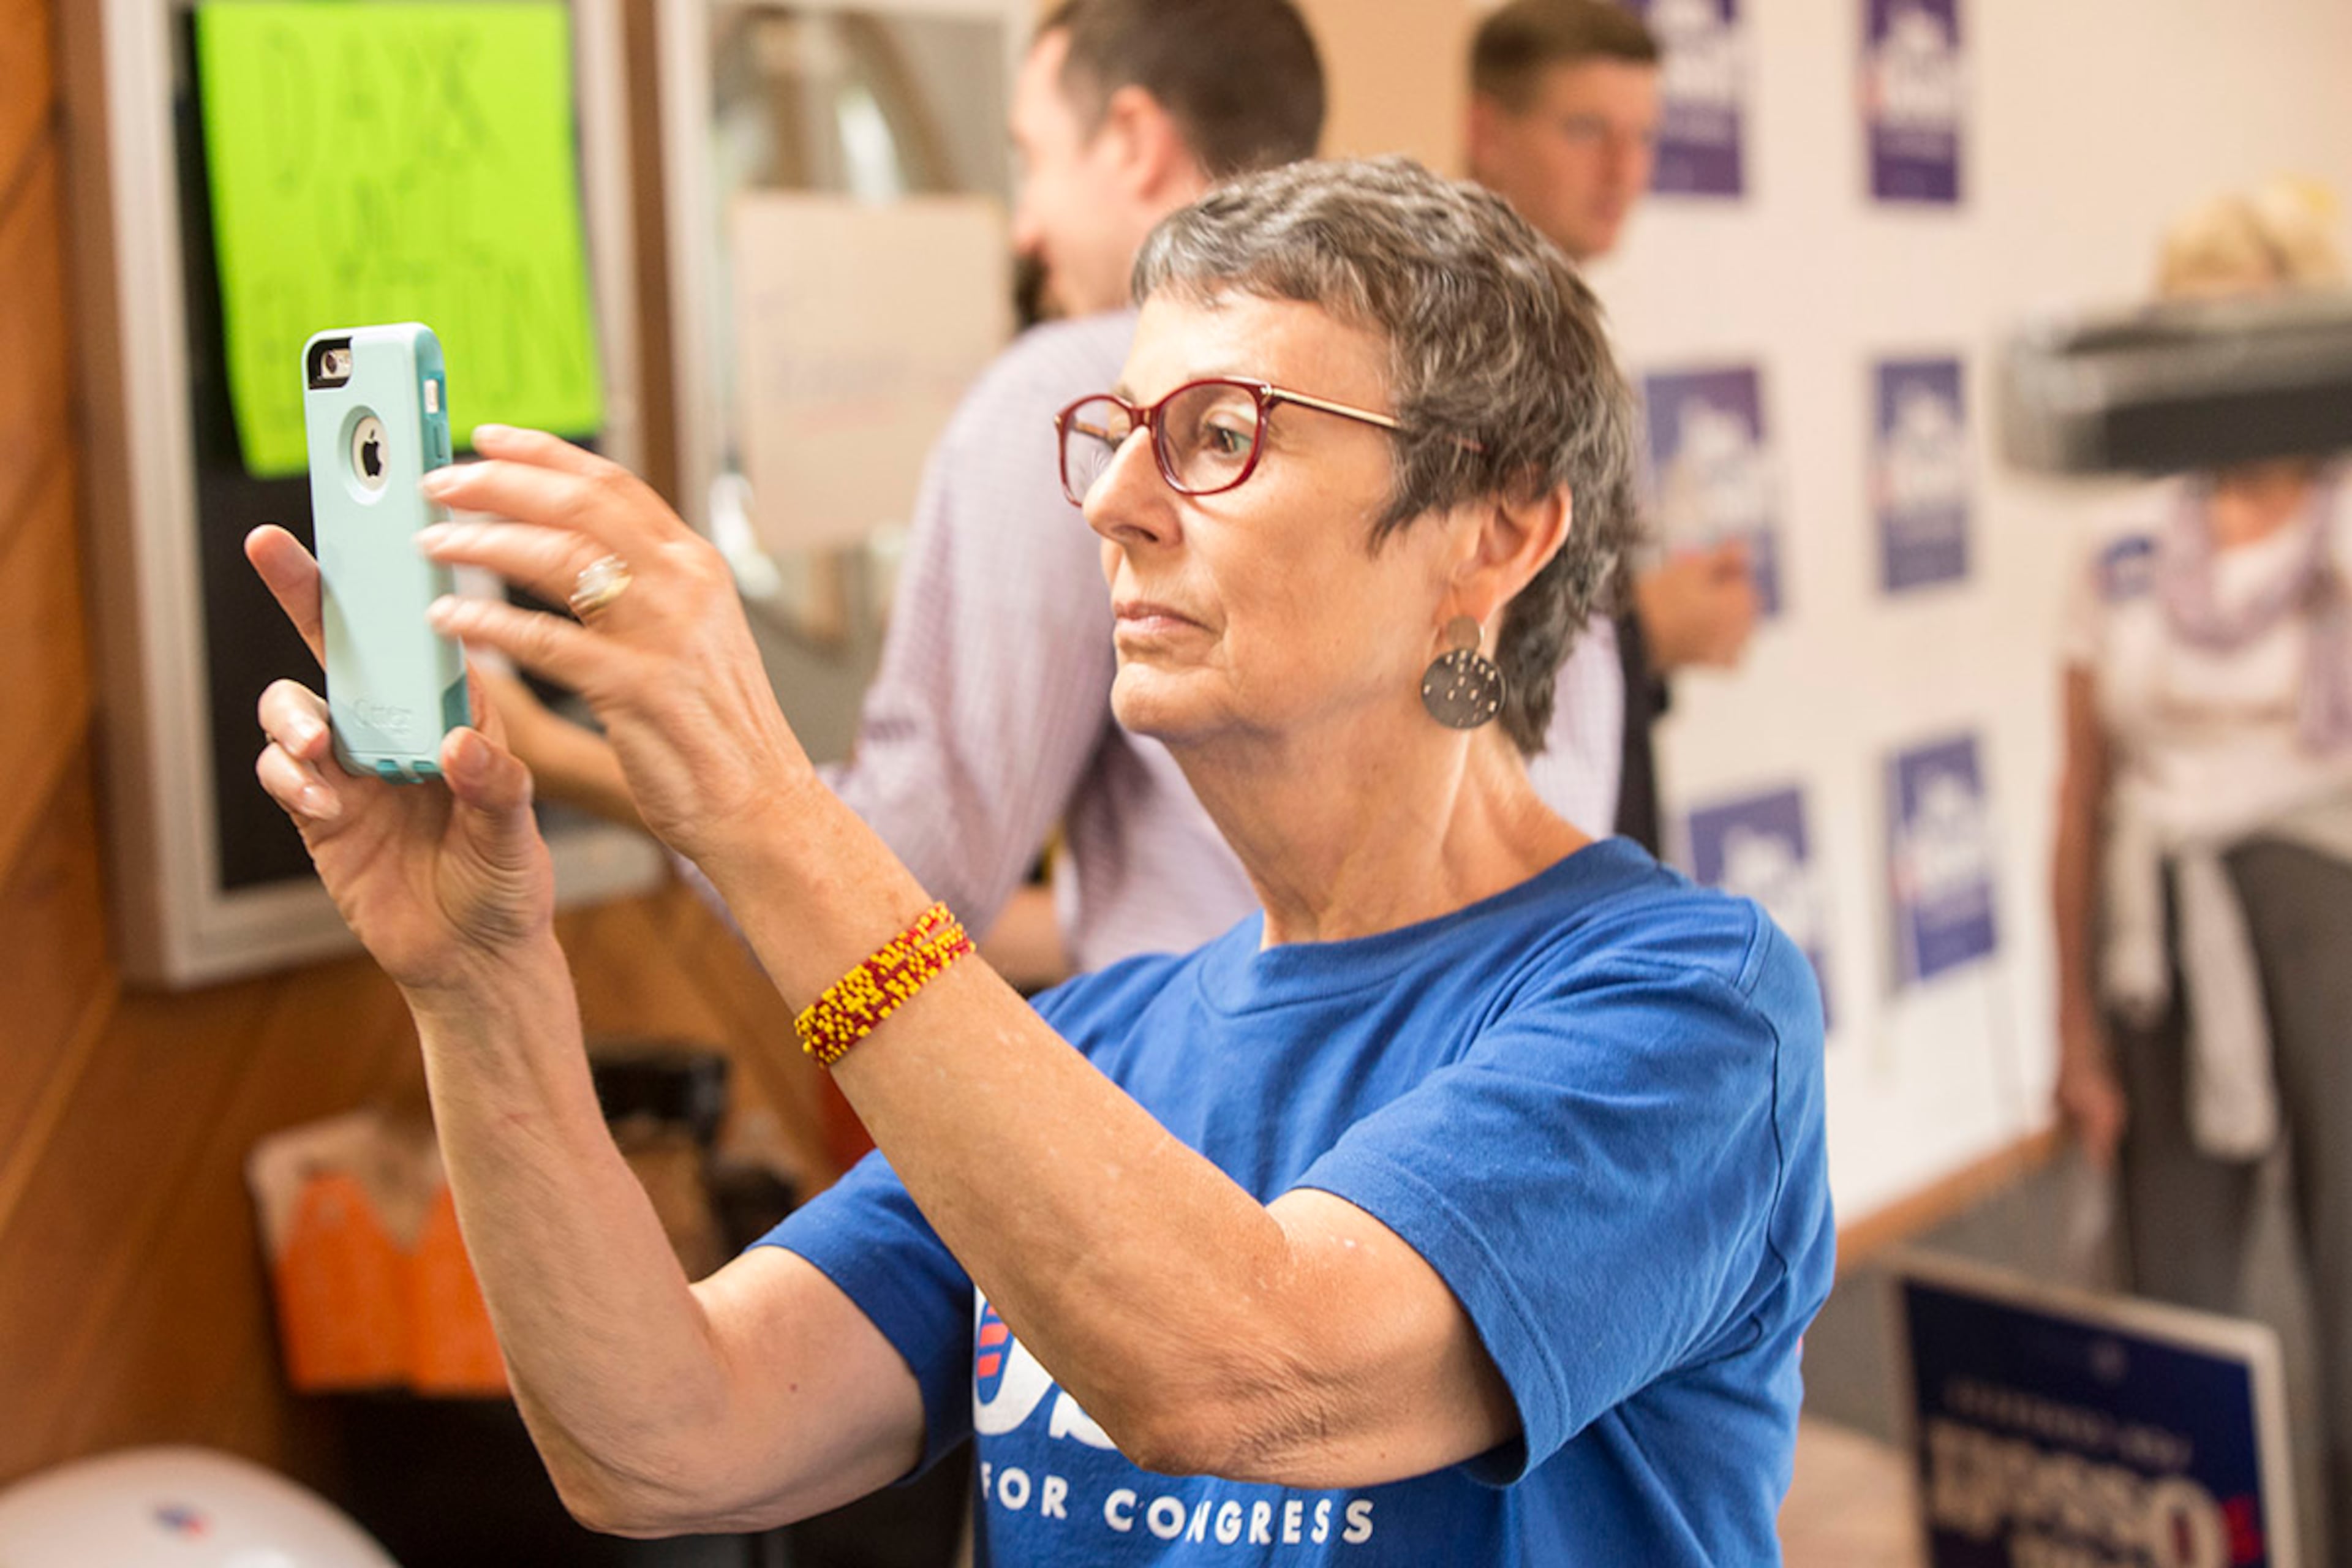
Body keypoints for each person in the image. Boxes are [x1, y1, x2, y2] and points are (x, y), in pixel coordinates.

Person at [249, 156, 1834, 1563]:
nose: (1116, 504)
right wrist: (476, 985)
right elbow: (660, 1441)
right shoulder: (1090, 1044)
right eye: (1117, 435)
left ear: (1493, 529)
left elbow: (1247, 1373)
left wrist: (757, 800)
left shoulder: (1689, 1013)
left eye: (1221, 436)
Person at [2050, 181, 2352, 1557]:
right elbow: (2084, 791)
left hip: (2331, 920)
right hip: (2158, 938)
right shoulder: (2116, 554)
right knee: (2176, 1293)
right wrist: (2073, 1027)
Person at [1465, 0, 1761, 851]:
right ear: (1487, 131)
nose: (1624, 170)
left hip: (1586, 864)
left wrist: (1636, 638)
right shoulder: (1439, 344)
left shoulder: (1568, 331)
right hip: (1500, 906)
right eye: (1587, 129)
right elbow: (1428, 657)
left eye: (1646, 136)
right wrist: (1644, 631)